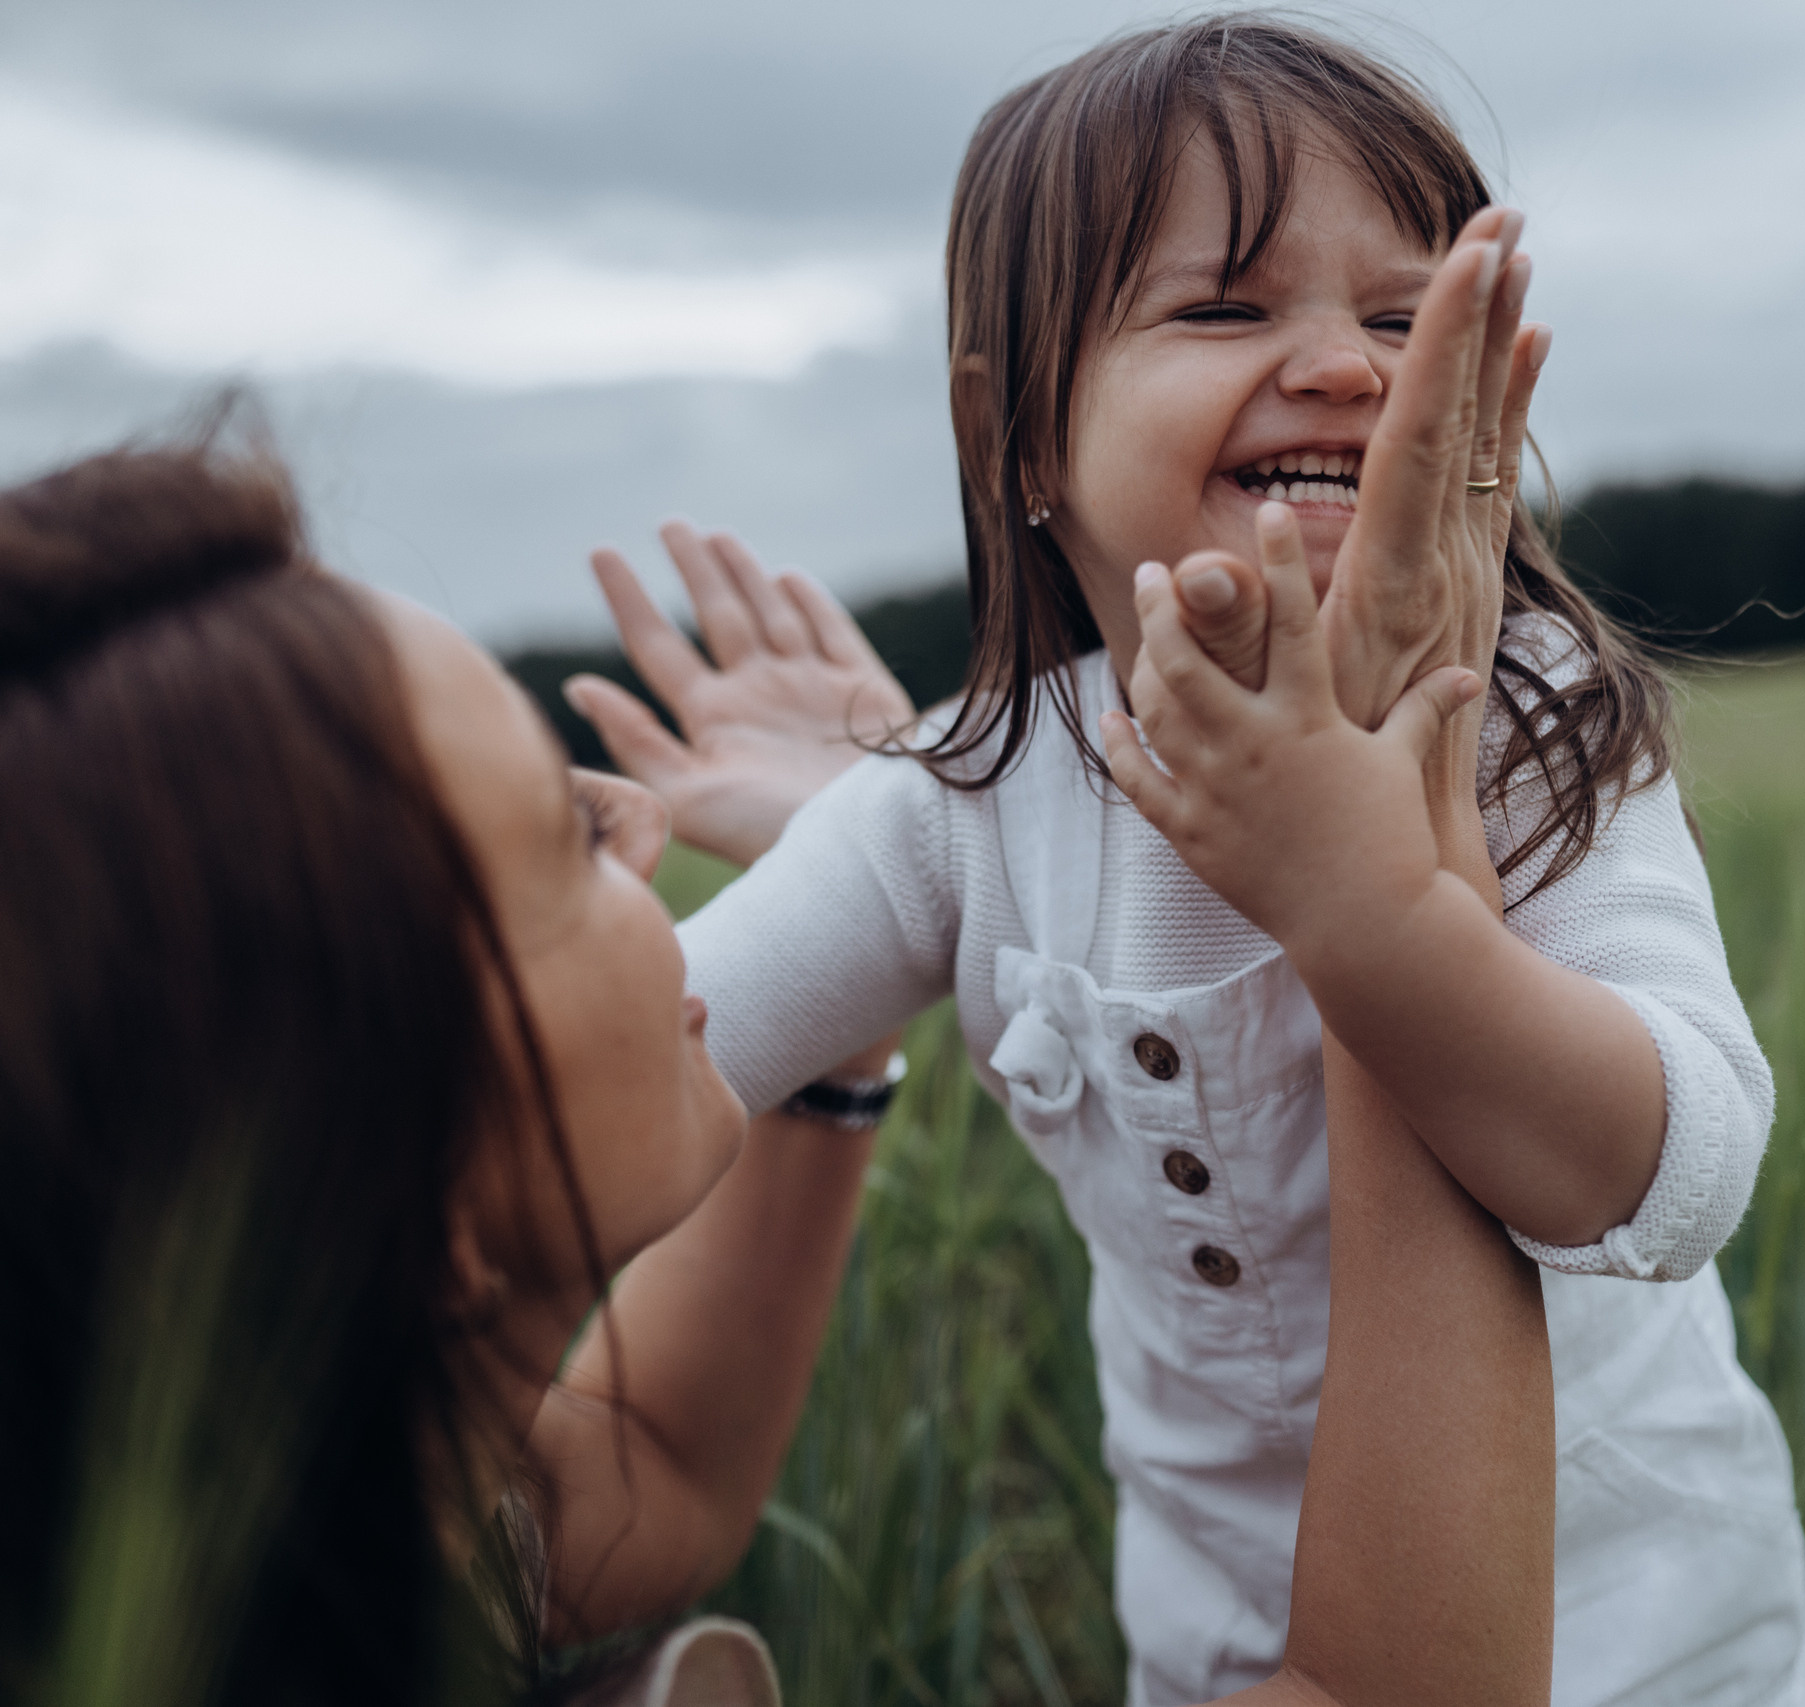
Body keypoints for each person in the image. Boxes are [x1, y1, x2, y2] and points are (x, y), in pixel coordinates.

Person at [567, 17, 1805, 1705]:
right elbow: (647, 1067)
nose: (1347, 365)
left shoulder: (1531, 722)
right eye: (1227, 308)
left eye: (1406, 314)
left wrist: (1374, 917)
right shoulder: (968, 794)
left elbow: (1677, 1175)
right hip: (1217, 1653)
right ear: (1013, 431)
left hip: (1655, 1643)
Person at [0, 436, 1553, 1706]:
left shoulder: (289, 1543)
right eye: (565, 835)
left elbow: (654, 1466)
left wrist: (862, 896)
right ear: (409, 1192)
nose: (644, 826)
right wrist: (1390, 926)